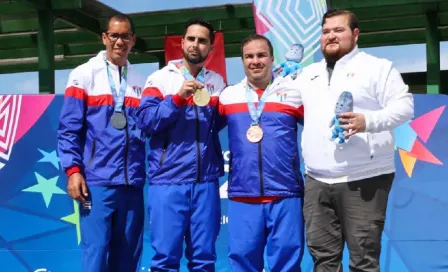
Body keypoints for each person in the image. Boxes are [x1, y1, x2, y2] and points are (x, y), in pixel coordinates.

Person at [288, 9, 414, 272]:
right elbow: (279, 100)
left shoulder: (377, 67)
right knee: (323, 260)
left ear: (355, 34)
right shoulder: (307, 74)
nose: (330, 36)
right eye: (325, 32)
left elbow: (405, 107)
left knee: (364, 261)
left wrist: (367, 121)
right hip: (317, 180)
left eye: (338, 30)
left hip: (365, 178)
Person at [57, 14, 146, 272]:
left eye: (125, 36)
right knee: (95, 253)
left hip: (131, 184)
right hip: (95, 183)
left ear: (133, 40)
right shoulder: (83, 74)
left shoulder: (140, 80)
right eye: (114, 36)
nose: (120, 41)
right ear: (104, 38)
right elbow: (68, 128)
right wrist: (73, 171)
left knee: (128, 256)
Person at [136, 18, 226, 271]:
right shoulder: (160, 79)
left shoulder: (217, 82)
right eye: (191, 39)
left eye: (202, 40)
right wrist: (177, 99)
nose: (195, 45)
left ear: (210, 47)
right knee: (165, 259)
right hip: (168, 180)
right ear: (182, 42)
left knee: (204, 259)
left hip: (205, 182)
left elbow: (218, 123)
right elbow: (146, 122)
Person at [218, 34, 305, 272]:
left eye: (261, 55)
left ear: (271, 58)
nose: (255, 61)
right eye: (249, 56)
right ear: (242, 61)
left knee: (287, 265)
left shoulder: (294, 92)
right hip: (243, 195)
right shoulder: (228, 96)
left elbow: (319, 128)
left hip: (285, 194)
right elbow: (200, 131)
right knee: (243, 263)